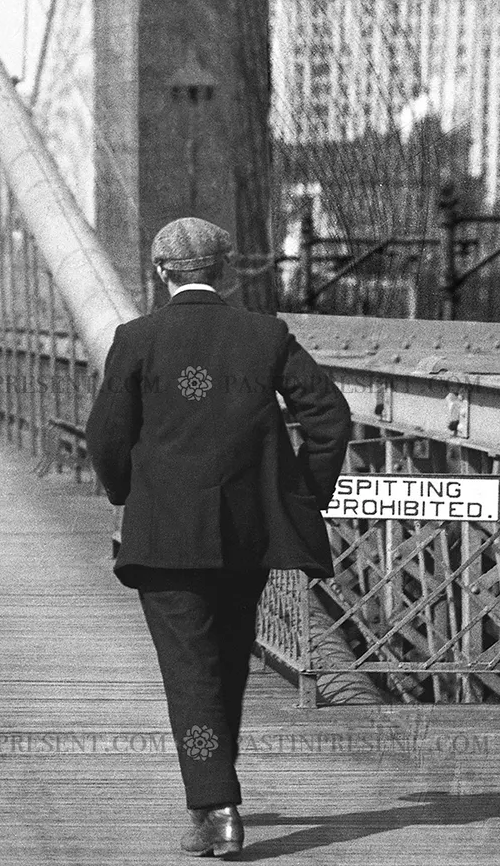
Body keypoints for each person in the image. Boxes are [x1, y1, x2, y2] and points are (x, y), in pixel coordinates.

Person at [84, 217, 351, 859]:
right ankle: (217, 787)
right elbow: (330, 418)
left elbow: (106, 437)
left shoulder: (137, 339)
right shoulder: (265, 335)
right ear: (226, 272)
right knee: (227, 664)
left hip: (166, 537)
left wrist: (127, 492)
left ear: (160, 272)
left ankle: (218, 810)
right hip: (246, 537)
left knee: (190, 672)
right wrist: (299, 496)